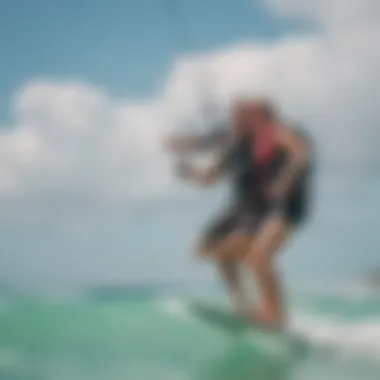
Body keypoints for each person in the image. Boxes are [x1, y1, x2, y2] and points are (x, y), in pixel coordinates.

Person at [167, 98, 313, 328]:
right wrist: (188, 172)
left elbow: (300, 154)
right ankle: (243, 304)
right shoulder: (235, 146)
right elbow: (209, 178)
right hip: (245, 210)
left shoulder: (273, 134)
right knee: (210, 250)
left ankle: (275, 315)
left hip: (277, 207)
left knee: (258, 256)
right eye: (234, 116)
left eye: (240, 116)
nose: (234, 120)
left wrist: (286, 179)